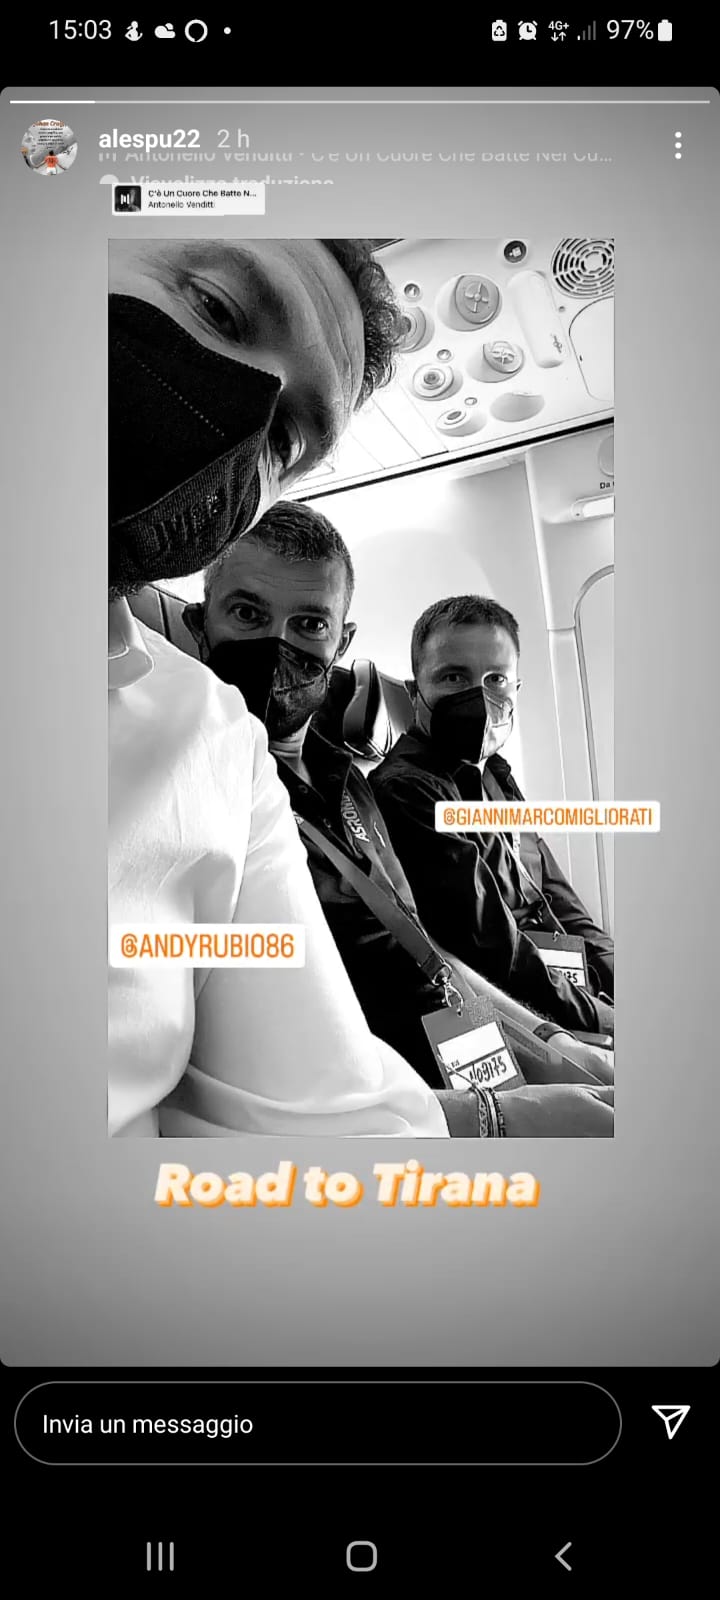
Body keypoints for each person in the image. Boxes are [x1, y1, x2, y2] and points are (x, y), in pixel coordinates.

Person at [108, 238, 451, 1139]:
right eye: (216, 307)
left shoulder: (222, 746)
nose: (240, 412)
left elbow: (318, 1114)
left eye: (286, 439)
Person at [184, 501, 614, 1137]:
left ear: (341, 643)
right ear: (199, 625)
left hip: (451, 1062)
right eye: (248, 614)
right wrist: (496, 1116)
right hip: (377, 1113)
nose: (279, 646)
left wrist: (556, 1045)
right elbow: (271, 1042)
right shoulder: (194, 792)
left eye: (309, 623)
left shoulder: (350, 781)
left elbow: (424, 953)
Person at [370, 594, 616, 1038]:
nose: (479, 697)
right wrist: (606, 1020)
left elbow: (560, 901)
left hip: (570, 996)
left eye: (496, 679)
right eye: (453, 677)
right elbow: (495, 950)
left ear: (516, 689)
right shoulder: (409, 790)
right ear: (414, 691)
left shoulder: (496, 776)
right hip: (523, 1016)